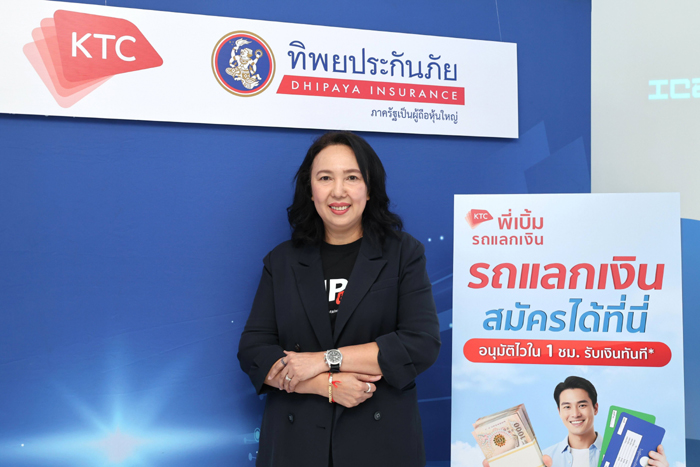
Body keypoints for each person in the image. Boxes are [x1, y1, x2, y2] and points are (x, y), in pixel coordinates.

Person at [238, 131, 441, 467]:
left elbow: (420, 344)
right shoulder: (282, 261)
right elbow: (254, 351)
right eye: (325, 178)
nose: (338, 191)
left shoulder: (403, 253)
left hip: (381, 443)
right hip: (295, 443)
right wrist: (325, 385)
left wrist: (324, 360)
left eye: (352, 177)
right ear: (310, 190)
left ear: (369, 188)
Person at [482, 376, 669, 467]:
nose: (575, 414)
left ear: (595, 408)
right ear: (559, 412)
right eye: (567, 407)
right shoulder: (543, 459)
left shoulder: (626, 453)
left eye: (582, 405)